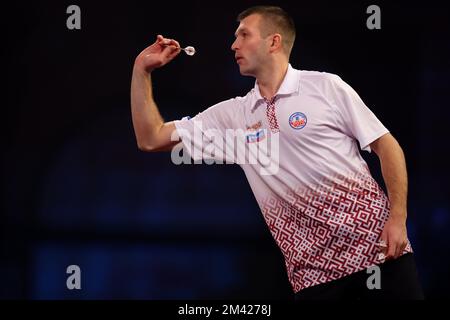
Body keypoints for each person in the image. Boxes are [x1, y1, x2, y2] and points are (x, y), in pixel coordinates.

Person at [130, 5, 424, 300]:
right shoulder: (234, 116)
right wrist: (141, 69)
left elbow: (387, 146)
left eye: (244, 35)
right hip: (314, 281)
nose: (234, 45)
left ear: (274, 42)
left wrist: (398, 218)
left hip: (382, 258)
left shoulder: (325, 86)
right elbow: (151, 138)